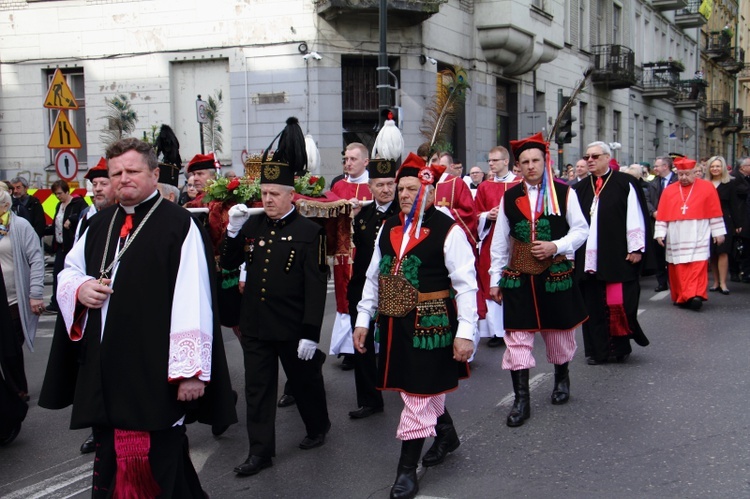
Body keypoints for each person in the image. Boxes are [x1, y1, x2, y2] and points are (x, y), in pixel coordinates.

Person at [43, 138, 236, 497]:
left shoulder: (178, 226)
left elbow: (193, 300)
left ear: (154, 174)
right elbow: (68, 272)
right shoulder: (97, 224)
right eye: (116, 173)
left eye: (132, 171)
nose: (122, 179)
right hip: (105, 370)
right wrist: (81, 288)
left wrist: (189, 373)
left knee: (157, 462)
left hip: (155, 371)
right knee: (111, 459)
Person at [354, 153, 477, 499]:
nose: (405, 194)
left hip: (432, 324)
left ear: (431, 191)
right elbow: (373, 277)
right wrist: (364, 318)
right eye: (401, 188)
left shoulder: (447, 230)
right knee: (416, 388)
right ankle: (447, 433)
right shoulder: (388, 226)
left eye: (413, 188)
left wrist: (466, 332)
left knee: (418, 395)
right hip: (394, 323)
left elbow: (466, 284)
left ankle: (407, 470)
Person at [222, 160, 331, 477]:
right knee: (257, 390)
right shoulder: (252, 226)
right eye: (264, 193)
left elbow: (315, 286)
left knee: (304, 382)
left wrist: (311, 333)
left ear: (291, 196)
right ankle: (260, 452)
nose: (267, 199)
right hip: (256, 324)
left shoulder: (311, 233)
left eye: (274, 194)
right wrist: (232, 228)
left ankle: (318, 426)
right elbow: (228, 261)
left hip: (292, 327)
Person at [488, 132, 588, 428]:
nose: (531, 166)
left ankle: (561, 377)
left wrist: (556, 246)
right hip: (519, 275)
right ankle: (522, 400)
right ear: (517, 166)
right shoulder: (509, 196)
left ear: (545, 162)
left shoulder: (564, 192)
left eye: (536, 160)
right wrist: (495, 278)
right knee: (517, 336)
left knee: (558, 332)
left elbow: (581, 230)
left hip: (554, 273)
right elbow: (499, 242)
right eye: (525, 162)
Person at [573, 141, 651, 365]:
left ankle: (619, 348)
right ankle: (597, 352)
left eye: (595, 156)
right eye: (587, 156)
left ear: (608, 157)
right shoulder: (578, 189)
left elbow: (635, 216)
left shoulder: (625, 183)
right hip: (587, 258)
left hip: (616, 255)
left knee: (618, 304)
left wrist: (636, 248)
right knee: (593, 305)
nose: (590, 160)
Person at [347, 158, 398, 420]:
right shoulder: (363, 216)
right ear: (370, 186)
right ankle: (369, 399)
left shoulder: (404, 214)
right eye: (380, 185)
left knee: (398, 341)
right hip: (364, 289)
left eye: (390, 184)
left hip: (396, 288)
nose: (386, 190)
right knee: (362, 344)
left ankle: (406, 387)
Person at [655, 156, 726, 310]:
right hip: (676, 233)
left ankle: (696, 295)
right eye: (681, 175)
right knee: (679, 267)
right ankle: (682, 295)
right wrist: (660, 232)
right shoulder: (669, 190)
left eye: (687, 174)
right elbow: (662, 214)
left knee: (698, 265)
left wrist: (718, 232)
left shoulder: (707, 188)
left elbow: (714, 212)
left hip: (699, 231)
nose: (684, 178)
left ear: (695, 173)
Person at [329, 142, 373, 371]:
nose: (348, 163)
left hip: (366, 251)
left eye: (353, 159)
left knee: (366, 295)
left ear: (365, 161)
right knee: (344, 295)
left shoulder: (374, 187)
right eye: (346, 159)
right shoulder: (338, 186)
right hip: (344, 251)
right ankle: (347, 349)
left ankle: (369, 342)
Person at [0, 188, 45, 403]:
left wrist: (35, 293)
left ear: (5, 206)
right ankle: (13, 389)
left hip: (15, 298)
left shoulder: (20, 226)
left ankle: (17, 390)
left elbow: (36, 259)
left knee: (10, 349)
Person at [475, 146, 520, 348]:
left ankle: (517, 322)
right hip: (491, 238)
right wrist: (487, 215)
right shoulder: (485, 186)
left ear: (505, 162)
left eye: (495, 160)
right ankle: (497, 330)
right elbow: (475, 213)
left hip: (516, 239)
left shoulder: (519, 184)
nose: (491, 164)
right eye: (489, 160)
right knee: (491, 278)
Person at [45, 180, 85, 313]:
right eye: (56, 194)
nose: (58, 196)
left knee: (71, 275)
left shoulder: (77, 203)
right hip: (60, 245)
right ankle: (56, 302)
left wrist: (72, 220)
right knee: (58, 274)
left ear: (67, 191)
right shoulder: (59, 205)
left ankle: (71, 301)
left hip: (71, 246)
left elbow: (84, 216)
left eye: (60, 193)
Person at [706, 156, 744, 294]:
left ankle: (723, 283)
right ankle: (715, 282)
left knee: (723, 251)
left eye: (717, 166)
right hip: (707, 221)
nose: (715, 169)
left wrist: (738, 223)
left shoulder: (730, 183)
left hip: (725, 220)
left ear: (722, 168)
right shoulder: (704, 183)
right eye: (712, 166)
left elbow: (734, 204)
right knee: (713, 253)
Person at [651, 156, 678, 292]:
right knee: (659, 253)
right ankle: (662, 282)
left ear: (665, 166)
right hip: (657, 221)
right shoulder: (654, 182)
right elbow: (647, 199)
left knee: (674, 253)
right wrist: (653, 211)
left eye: (657, 166)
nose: (654, 168)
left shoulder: (678, 180)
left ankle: (675, 282)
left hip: (675, 221)